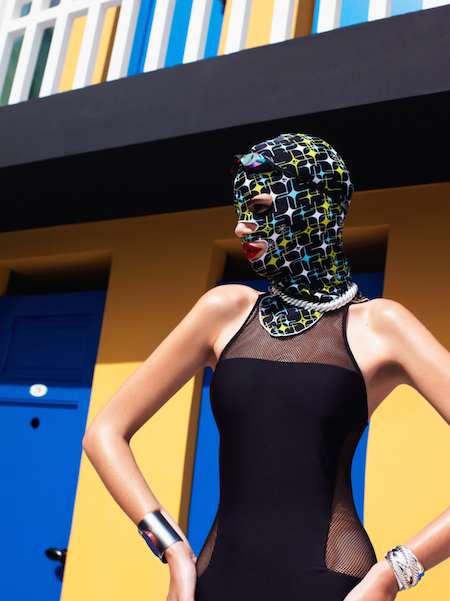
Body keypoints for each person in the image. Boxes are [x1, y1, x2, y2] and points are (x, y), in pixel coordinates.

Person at [82, 133, 450, 601]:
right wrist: (171, 548)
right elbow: (104, 433)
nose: (241, 228)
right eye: (240, 211)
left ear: (317, 208)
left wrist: (394, 573)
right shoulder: (224, 311)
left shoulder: (382, 325)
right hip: (214, 583)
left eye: (260, 208)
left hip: (331, 586)